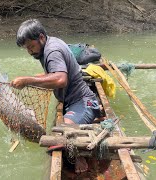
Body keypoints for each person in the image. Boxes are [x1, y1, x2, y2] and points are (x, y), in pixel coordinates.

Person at [10, 19, 101, 173]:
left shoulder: (52, 51)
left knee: (64, 132)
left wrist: (27, 80)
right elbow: (52, 74)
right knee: (60, 134)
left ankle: (80, 156)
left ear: (41, 38)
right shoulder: (51, 43)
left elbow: (60, 79)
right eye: (27, 48)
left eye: (31, 46)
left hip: (84, 102)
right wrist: (32, 80)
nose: (30, 51)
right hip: (71, 101)